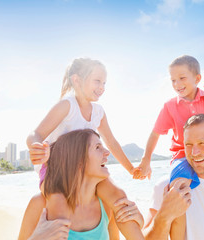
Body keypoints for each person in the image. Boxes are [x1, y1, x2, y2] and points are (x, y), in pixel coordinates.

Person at [26, 58, 141, 234]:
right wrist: (36, 147)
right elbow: (36, 133)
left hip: (86, 172)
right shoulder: (67, 106)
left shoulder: (98, 112)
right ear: (77, 80)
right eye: (97, 81)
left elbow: (111, 142)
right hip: (56, 170)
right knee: (58, 207)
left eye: (104, 83)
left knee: (118, 197)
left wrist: (131, 169)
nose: (102, 87)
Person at [19, 129, 144, 240]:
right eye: (97, 147)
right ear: (78, 161)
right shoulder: (40, 205)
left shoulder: (106, 205)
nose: (107, 152)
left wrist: (139, 221)